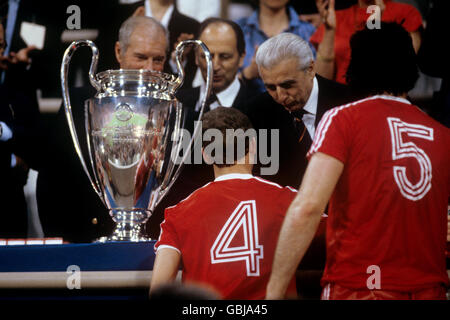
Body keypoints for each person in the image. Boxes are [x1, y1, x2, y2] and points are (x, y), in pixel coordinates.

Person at [266, 22, 450, 300]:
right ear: (410, 67)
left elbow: (307, 208)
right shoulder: (443, 134)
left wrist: (274, 293)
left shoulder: (342, 120)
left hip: (360, 287)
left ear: (355, 67)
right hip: (429, 288)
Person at [35, 16, 169, 243]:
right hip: (85, 238)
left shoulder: (172, 107)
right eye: (140, 57)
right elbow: (52, 176)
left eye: (158, 59)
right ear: (119, 51)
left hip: (156, 244)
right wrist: (60, 239)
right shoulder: (81, 103)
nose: (149, 69)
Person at [150, 107, 298, 299]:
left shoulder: (177, 213)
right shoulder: (289, 201)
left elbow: (159, 292)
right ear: (253, 145)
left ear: (205, 154)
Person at [146, 17, 260, 239]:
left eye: (224, 56)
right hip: (181, 230)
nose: (214, 64)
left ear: (242, 58)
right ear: (196, 57)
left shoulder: (262, 108)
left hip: (241, 228)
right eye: (206, 55)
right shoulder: (172, 105)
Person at [243, 32, 359, 189]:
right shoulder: (255, 113)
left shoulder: (350, 104)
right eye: (270, 87)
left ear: (310, 69)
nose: (280, 96)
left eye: (287, 85)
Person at [312, 0, 423, 84]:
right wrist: (329, 31)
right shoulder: (336, 17)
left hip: (383, 103)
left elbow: (404, 74)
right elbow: (323, 82)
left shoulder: (405, 13)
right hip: (341, 103)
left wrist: (374, 28)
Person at [236, 0, 316, 92]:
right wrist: (248, 73)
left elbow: (317, 80)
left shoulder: (308, 31)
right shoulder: (238, 30)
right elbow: (221, 86)